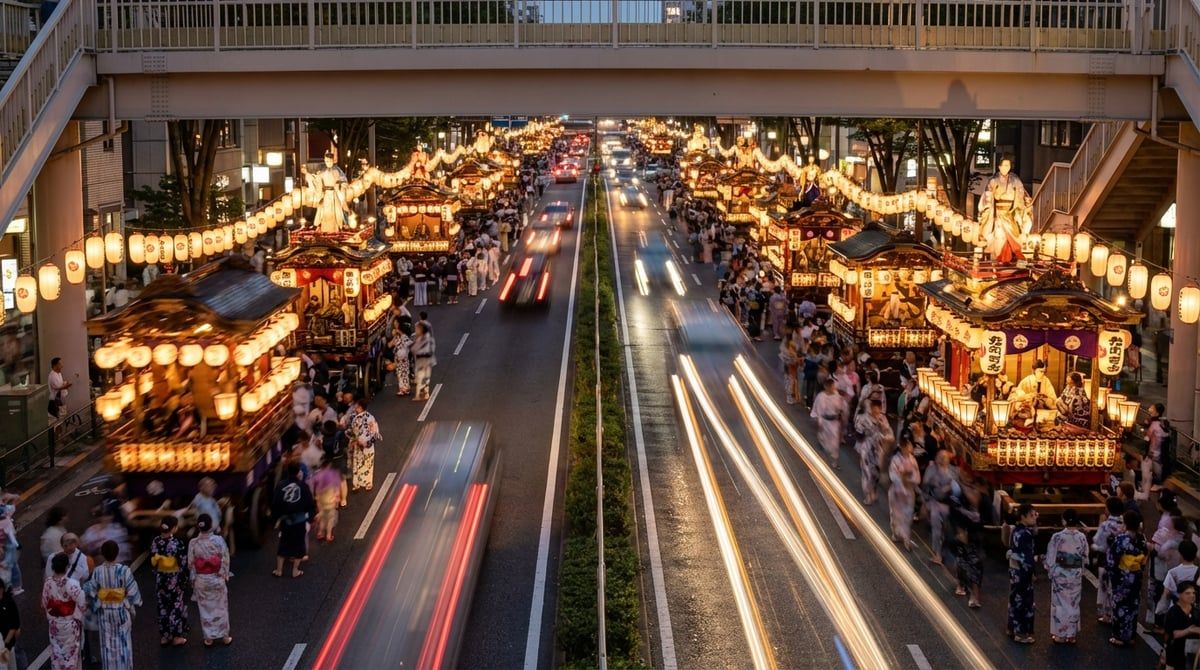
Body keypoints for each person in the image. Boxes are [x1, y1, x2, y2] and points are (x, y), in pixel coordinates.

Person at [84, 540, 141, 670]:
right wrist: (126, 603)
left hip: (104, 612)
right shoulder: (124, 570)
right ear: (117, 553)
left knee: (107, 645)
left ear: (103, 554)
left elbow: (91, 591)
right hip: (121, 610)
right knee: (124, 642)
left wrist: (96, 600)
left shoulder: (97, 572)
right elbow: (133, 592)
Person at [1044, 508, 1088, 643]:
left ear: (1063, 521)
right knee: (1073, 603)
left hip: (1061, 575)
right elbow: (1085, 556)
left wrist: (1050, 569)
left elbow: (1050, 558)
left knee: (1060, 604)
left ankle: (1060, 635)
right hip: (1075, 575)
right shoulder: (1082, 537)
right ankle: (1071, 634)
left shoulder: (1057, 537)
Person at [187, 514, 231, 646]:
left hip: (201, 579)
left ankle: (208, 637)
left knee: (204, 608)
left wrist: (193, 580)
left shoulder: (193, 543)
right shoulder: (218, 540)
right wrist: (224, 574)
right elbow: (225, 558)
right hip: (216, 578)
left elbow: (191, 564)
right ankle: (224, 636)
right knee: (221, 607)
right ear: (211, 525)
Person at [1107, 510, 1149, 647]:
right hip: (1135, 576)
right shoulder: (1142, 539)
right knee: (1133, 606)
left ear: (1125, 524)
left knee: (1120, 606)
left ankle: (1119, 636)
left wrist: (1113, 574)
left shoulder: (1121, 540)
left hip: (1122, 578)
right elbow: (1144, 557)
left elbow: (1112, 560)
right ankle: (1130, 636)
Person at [149, 516, 188, 646]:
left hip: (161, 578)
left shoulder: (155, 541)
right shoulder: (177, 543)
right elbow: (182, 562)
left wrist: (159, 573)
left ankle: (165, 636)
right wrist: (184, 578)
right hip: (174, 578)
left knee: (162, 606)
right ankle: (177, 636)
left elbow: (153, 562)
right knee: (176, 605)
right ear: (174, 528)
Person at [42, 553, 85, 670]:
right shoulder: (72, 584)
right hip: (69, 624)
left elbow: (44, 604)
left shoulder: (48, 583)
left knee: (56, 654)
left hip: (54, 624)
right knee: (71, 655)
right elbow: (82, 604)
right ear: (67, 567)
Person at [271, 463, 315, 579]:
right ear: (298, 472)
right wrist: (310, 518)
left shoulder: (281, 486)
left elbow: (275, 503)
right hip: (299, 520)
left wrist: (276, 518)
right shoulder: (303, 486)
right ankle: (295, 570)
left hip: (285, 521)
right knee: (299, 545)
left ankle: (279, 570)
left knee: (283, 543)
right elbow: (310, 503)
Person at [1006, 503, 1038, 644]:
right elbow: (1027, 558)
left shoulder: (1016, 530)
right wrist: (1033, 571)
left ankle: (1011, 628)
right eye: (1032, 515)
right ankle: (1021, 633)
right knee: (1024, 601)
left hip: (1014, 570)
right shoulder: (1025, 534)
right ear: (1023, 517)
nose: (1034, 517)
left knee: (1014, 599)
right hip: (1023, 571)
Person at [922, 449, 958, 566]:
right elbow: (926, 487)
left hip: (949, 505)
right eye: (940, 457)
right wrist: (925, 502)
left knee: (949, 531)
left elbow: (957, 488)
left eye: (945, 457)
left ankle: (947, 552)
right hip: (936, 503)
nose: (942, 459)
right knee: (936, 529)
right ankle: (937, 553)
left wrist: (949, 488)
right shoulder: (932, 470)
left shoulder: (953, 471)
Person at [853, 399, 893, 505]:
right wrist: (866, 434)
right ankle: (867, 495)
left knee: (875, 473)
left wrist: (884, 434)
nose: (876, 412)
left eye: (878, 409)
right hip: (866, 447)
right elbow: (858, 434)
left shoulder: (882, 418)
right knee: (866, 472)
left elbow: (889, 433)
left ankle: (873, 491)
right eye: (874, 409)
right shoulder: (863, 418)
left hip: (878, 448)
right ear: (870, 408)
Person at [1094, 496, 1126, 624]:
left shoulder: (1105, 525)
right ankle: (1116, 613)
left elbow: (1098, 542)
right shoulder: (1124, 524)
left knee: (1104, 588)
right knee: (1117, 587)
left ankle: (1106, 614)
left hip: (1105, 560)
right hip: (1122, 562)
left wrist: (1094, 547)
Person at [887, 437, 920, 551]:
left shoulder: (913, 460)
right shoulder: (895, 460)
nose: (909, 448)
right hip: (897, 491)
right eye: (907, 446)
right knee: (895, 515)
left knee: (907, 516)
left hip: (909, 492)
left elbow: (917, 477)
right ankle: (896, 534)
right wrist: (902, 478)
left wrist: (909, 479)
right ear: (902, 447)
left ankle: (906, 539)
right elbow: (893, 475)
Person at [1164, 581, 1200, 670]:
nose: (1192, 596)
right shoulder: (1173, 612)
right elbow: (1173, 634)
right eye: (1187, 593)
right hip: (1175, 649)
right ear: (1179, 595)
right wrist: (1189, 630)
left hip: (1191, 648)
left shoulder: (1196, 611)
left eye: (1193, 593)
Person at [810, 378, 846, 467]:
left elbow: (841, 408)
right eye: (829, 386)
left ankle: (834, 461)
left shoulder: (837, 396)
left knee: (834, 444)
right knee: (824, 443)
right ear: (826, 387)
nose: (831, 388)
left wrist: (841, 415)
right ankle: (823, 460)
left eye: (832, 386)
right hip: (825, 422)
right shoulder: (821, 396)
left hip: (834, 422)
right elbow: (819, 411)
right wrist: (820, 422)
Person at [348, 397, 381, 492]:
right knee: (365, 464)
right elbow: (375, 432)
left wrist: (361, 442)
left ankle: (359, 484)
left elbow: (351, 432)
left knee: (360, 463)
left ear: (360, 407)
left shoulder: (359, 418)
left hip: (362, 445)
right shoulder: (368, 417)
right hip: (363, 445)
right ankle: (365, 483)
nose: (355, 408)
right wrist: (364, 442)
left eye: (356, 406)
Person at [310, 459, 343, 543]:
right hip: (330, 501)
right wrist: (337, 498)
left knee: (323, 518)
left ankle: (320, 533)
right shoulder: (332, 477)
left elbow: (316, 491)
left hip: (321, 502)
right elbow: (336, 489)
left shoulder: (318, 477)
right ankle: (328, 535)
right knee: (330, 519)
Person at [412, 321, 437, 402]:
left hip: (424, 361)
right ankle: (422, 394)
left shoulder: (426, 339)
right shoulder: (420, 338)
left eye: (417, 329)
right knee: (423, 378)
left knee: (421, 377)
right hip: (422, 361)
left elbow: (428, 350)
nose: (416, 331)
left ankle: (420, 395)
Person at [0, 579, 18, 670]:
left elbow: (15, 625)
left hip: (7, 645)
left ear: (2, 589)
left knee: (10, 666)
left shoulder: (9, 602)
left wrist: (5, 643)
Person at [391, 329, 413, 397]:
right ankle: (402, 389)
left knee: (405, 374)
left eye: (394, 332)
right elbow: (390, 345)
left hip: (404, 360)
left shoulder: (404, 337)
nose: (393, 333)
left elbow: (410, 343)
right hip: (398, 360)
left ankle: (407, 389)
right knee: (399, 374)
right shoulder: (395, 339)